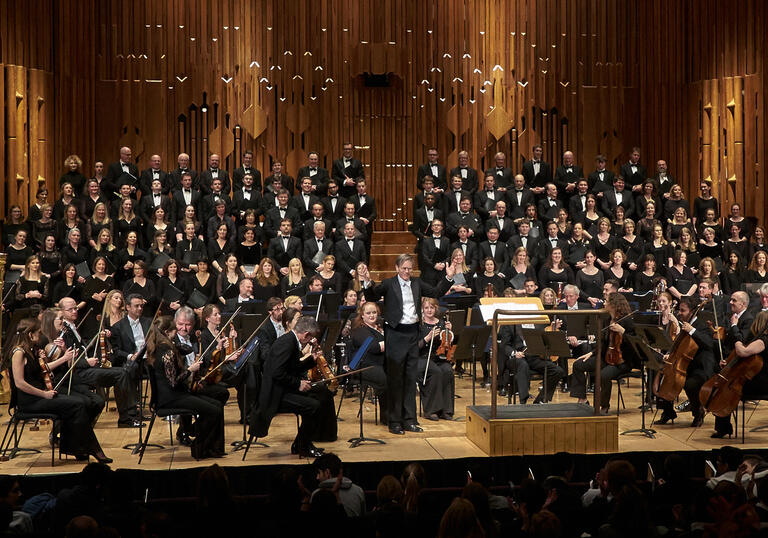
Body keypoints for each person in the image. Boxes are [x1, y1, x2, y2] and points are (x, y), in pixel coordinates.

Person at [360, 254, 454, 434]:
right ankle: (395, 421)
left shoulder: (417, 283)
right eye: (403, 268)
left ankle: (410, 420)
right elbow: (372, 295)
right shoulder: (389, 283)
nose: (406, 272)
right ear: (397, 268)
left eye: (409, 268)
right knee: (396, 379)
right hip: (395, 333)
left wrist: (448, 277)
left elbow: (435, 293)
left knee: (410, 378)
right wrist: (366, 281)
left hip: (412, 333)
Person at [3, 318, 111, 463]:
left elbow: (40, 373)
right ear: (30, 335)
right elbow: (20, 383)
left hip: (40, 395)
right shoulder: (18, 353)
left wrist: (43, 360)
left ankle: (76, 448)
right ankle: (91, 448)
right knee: (77, 404)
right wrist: (44, 394)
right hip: (30, 401)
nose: (40, 336)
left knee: (80, 403)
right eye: (37, 333)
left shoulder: (31, 351)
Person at [248, 316, 331, 457]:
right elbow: (277, 373)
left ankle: (301, 443)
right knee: (313, 406)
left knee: (322, 394)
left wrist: (312, 360)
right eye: (311, 338)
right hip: (275, 396)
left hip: (283, 389)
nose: (311, 341)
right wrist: (298, 384)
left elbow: (292, 368)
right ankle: (303, 446)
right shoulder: (286, 344)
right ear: (306, 335)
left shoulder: (291, 341)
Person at [146, 315, 226, 459]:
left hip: (175, 394)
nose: (176, 332)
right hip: (171, 398)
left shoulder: (159, 347)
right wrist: (190, 370)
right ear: (167, 332)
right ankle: (199, 446)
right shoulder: (166, 352)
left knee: (217, 405)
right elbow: (173, 382)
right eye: (174, 330)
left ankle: (214, 448)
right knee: (214, 410)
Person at [569, 292, 640, 414]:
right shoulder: (607, 320)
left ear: (614, 304)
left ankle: (604, 406)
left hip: (621, 361)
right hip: (606, 357)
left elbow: (636, 345)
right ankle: (582, 399)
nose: (604, 303)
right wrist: (591, 353)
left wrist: (622, 331)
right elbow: (603, 343)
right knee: (578, 365)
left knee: (603, 375)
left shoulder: (627, 321)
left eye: (606, 301)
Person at [349, 302, 388, 419]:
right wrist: (392, 342)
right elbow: (374, 348)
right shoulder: (361, 330)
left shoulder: (380, 328)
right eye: (368, 313)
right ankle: (387, 416)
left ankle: (398, 414)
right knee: (386, 379)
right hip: (364, 366)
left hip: (379, 364)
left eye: (374, 312)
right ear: (362, 315)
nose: (372, 315)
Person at [418, 298, 456, 420]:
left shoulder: (441, 323)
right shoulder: (419, 324)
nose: (429, 310)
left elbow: (448, 344)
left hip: (438, 357)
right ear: (422, 309)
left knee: (447, 370)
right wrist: (427, 338)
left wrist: (449, 332)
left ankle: (446, 410)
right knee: (435, 371)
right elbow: (413, 347)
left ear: (436, 309)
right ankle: (432, 410)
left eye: (432, 307)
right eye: (426, 308)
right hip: (421, 358)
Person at [311, 453, 366, 517]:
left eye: (319, 473)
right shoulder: (358, 491)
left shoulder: (317, 494)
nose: (317, 477)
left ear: (327, 472)